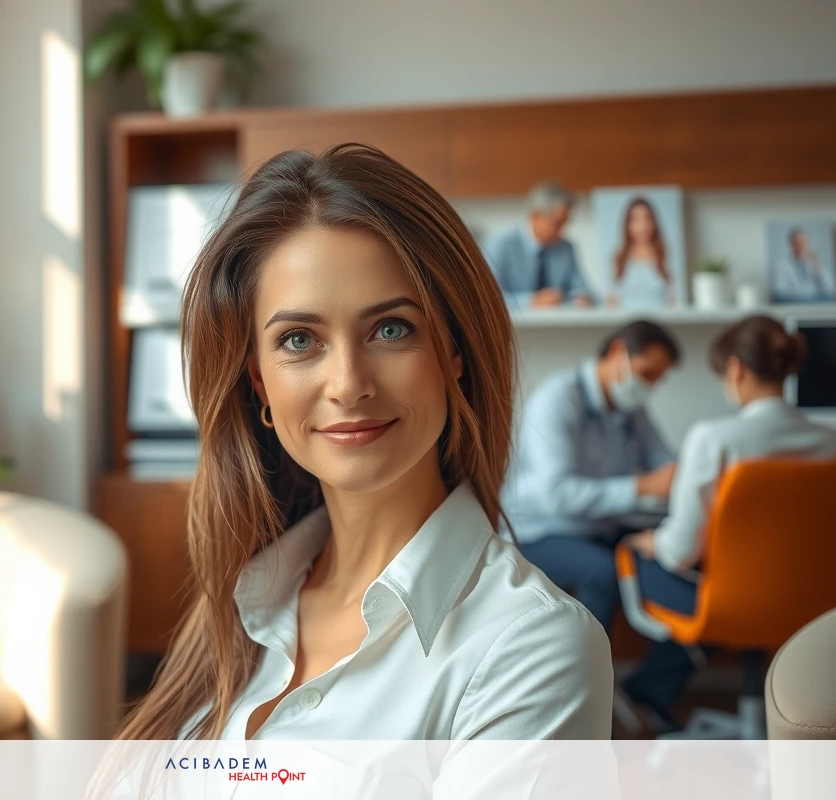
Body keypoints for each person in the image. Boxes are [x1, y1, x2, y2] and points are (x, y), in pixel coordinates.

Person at [113, 145, 612, 743]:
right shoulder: (239, 603)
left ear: (453, 351)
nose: (348, 385)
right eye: (299, 340)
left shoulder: (531, 648)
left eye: (391, 329)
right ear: (258, 381)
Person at [620, 315, 836, 726]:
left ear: (735, 369)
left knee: (635, 554)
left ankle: (638, 696)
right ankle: (650, 692)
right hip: (816, 607)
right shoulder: (830, 442)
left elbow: (681, 551)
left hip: (728, 604)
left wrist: (651, 542)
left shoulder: (714, 438)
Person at [502, 320, 680, 629]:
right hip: (539, 531)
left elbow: (664, 461)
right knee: (602, 572)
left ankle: (652, 679)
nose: (649, 387)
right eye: (646, 374)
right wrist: (641, 487)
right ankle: (584, 673)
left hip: (599, 528)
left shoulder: (631, 409)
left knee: (677, 553)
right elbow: (555, 494)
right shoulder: (556, 400)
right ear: (617, 352)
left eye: (657, 380)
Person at [484, 181, 594, 310]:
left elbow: (581, 288)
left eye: (565, 223)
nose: (562, 231)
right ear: (535, 216)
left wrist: (582, 297)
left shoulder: (565, 248)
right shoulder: (501, 244)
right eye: (557, 224)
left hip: (558, 326)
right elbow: (487, 298)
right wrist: (531, 301)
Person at [609, 197, 673, 309]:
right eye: (635, 220)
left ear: (654, 222)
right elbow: (611, 301)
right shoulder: (618, 258)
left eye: (647, 219)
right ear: (627, 224)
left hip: (659, 323)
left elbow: (674, 300)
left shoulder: (665, 255)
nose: (642, 226)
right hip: (628, 324)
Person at [773, 228, 835, 302]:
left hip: (815, 305)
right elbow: (780, 293)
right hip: (795, 305)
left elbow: (830, 289)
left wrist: (817, 268)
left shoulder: (815, 264)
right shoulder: (781, 266)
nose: (800, 246)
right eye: (797, 243)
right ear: (791, 244)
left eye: (803, 243)